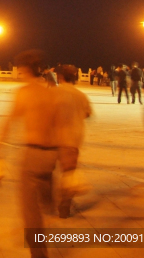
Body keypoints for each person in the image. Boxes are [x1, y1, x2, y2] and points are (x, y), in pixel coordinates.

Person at [0, 50, 58, 258]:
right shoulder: (51, 92)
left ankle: (38, 251)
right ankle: (49, 205)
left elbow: (8, 123)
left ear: (22, 69)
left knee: (29, 210)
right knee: (45, 196)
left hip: (33, 155)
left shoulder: (24, 92)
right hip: (51, 156)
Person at [54, 65, 91, 218]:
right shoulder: (81, 95)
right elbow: (87, 113)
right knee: (69, 173)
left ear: (60, 77)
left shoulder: (54, 92)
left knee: (48, 172)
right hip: (73, 139)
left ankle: (50, 201)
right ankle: (65, 206)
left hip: (54, 138)